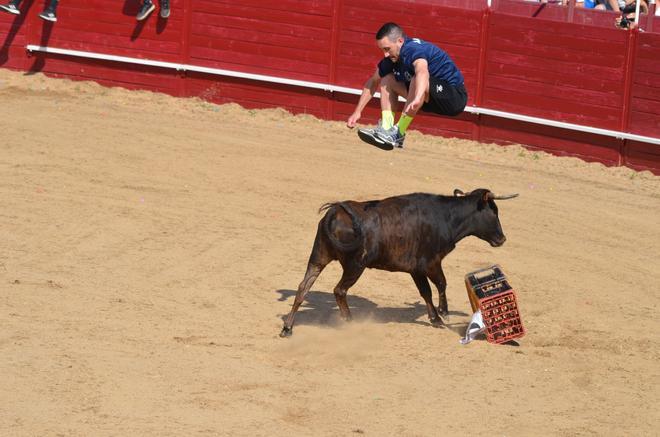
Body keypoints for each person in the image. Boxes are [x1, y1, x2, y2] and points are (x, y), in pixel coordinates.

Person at [347, 22, 467, 149]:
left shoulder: (412, 49)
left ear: (400, 41)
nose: (385, 54)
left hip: (454, 97)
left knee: (417, 78)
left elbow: (422, 71)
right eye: (382, 50)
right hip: (426, 97)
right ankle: (386, 129)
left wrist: (417, 96)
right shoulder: (392, 58)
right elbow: (373, 81)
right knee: (387, 79)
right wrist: (357, 111)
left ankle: (398, 131)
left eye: (387, 49)